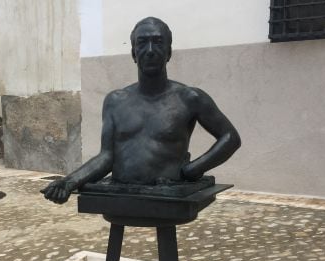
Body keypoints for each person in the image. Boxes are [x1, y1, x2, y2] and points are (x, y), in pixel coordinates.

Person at [42, 17, 241, 204]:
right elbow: (106, 156)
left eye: (158, 42)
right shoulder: (115, 101)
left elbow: (230, 137)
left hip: (167, 196)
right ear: (133, 53)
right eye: (142, 43)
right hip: (121, 193)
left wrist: (194, 169)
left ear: (169, 52)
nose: (150, 50)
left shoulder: (189, 98)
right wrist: (69, 182)